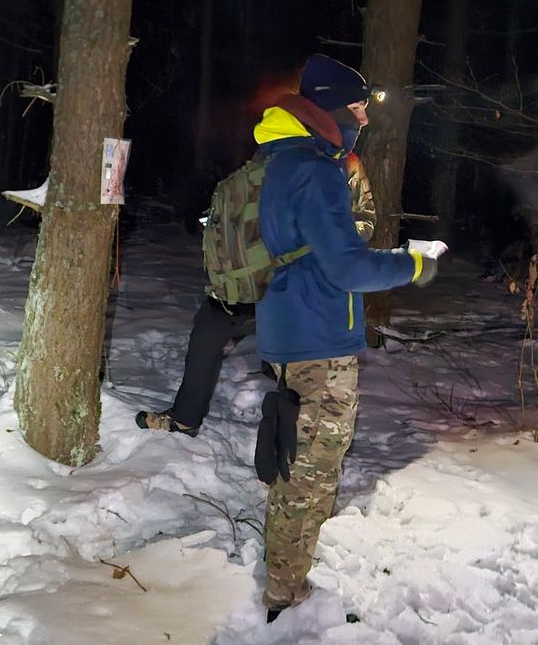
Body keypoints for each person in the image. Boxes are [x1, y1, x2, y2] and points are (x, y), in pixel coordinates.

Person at [253, 53, 438, 621]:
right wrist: (413, 265)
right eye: (358, 106)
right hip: (317, 337)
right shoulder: (315, 170)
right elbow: (348, 267)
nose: (365, 116)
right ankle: (285, 592)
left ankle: (294, 569)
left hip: (297, 325)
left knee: (306, 461)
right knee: (307, 470)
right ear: (331, 107)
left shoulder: (289, 160)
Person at [136, 118, 377, 438]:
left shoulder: (344, 164)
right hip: (248, 280)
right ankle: (186, 418)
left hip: (296, 285)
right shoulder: (271, 158)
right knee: (207, 332)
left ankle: (300, 437)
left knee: (298, 370)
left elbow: (364, 222)